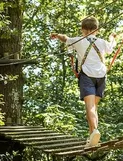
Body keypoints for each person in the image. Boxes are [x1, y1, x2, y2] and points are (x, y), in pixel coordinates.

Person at [50, 17, 116, 147]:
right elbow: (111, 47)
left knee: (90, 107)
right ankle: (92, 137)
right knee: (94, 107)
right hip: (101, 76)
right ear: (96, 30)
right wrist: (112, 37)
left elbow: (65, 38)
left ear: (82, 30)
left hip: (87, 76)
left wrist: (57, 35)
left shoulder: (78, 41)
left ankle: (95, 131)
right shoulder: (102, 42)